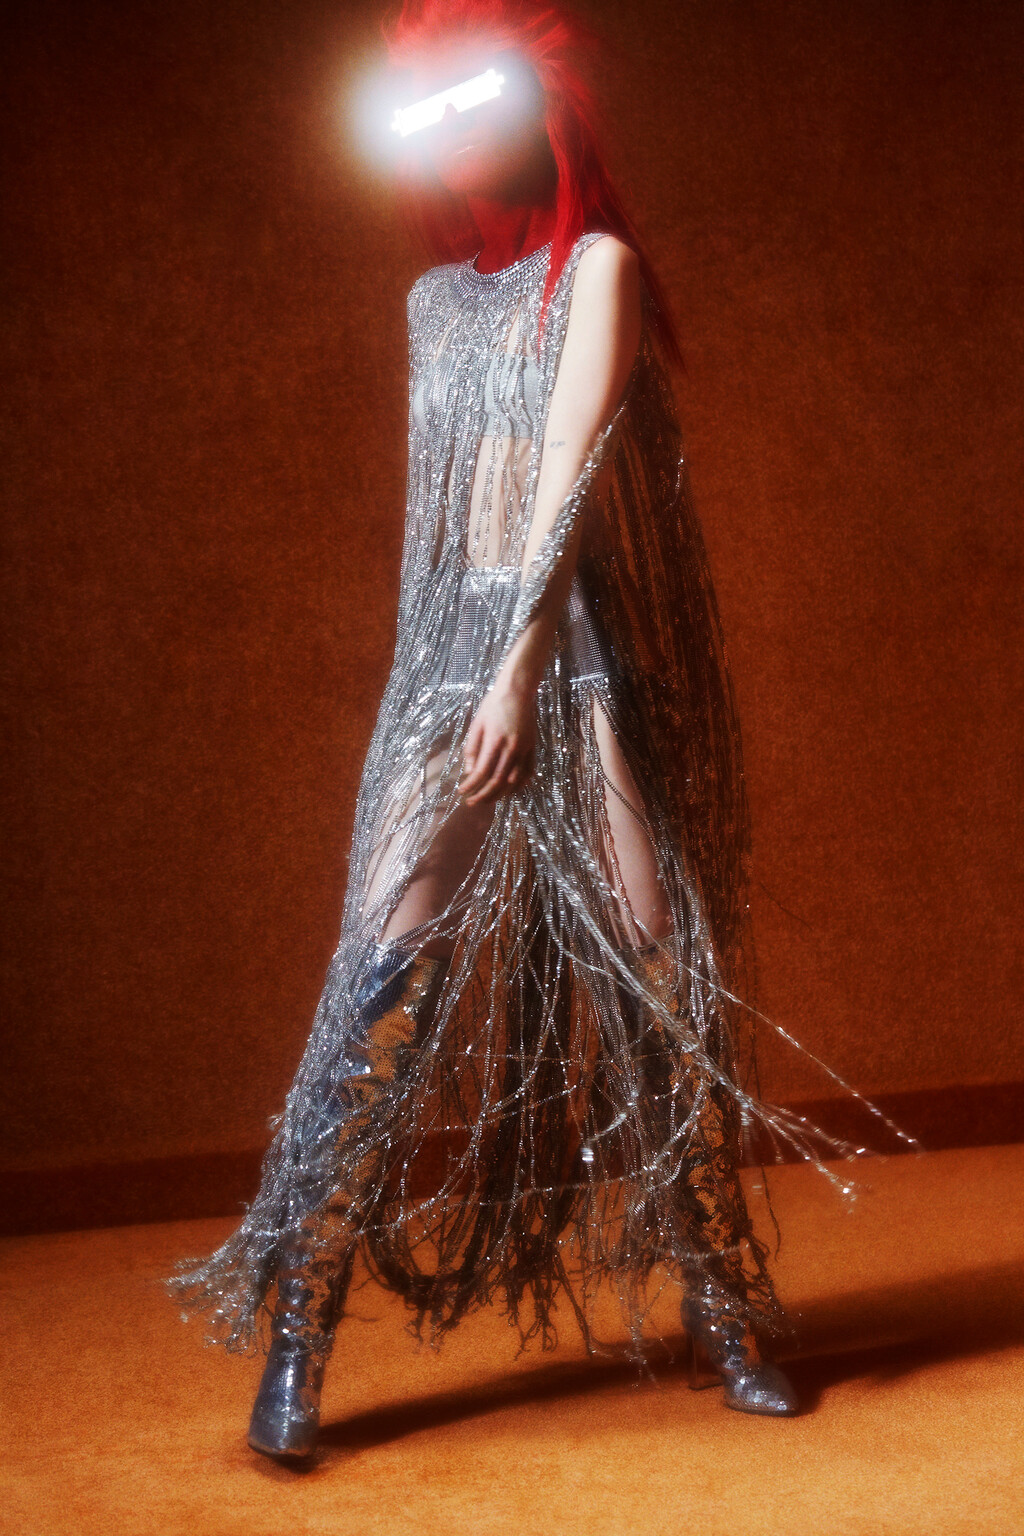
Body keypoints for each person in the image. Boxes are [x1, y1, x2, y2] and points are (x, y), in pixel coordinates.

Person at [165, 0, 915, 1461]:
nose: (455, 135)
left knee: (654, 967)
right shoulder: (433, 303)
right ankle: (299, 1340)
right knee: (379, 983)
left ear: (537, 105)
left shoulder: (600, 271)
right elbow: (452, 518)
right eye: (428, 113)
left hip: (570, 654)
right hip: (448, 658)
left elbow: (566, 476)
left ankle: (722, 1303)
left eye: (476, 100)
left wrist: (519, 671)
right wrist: (451, 678)